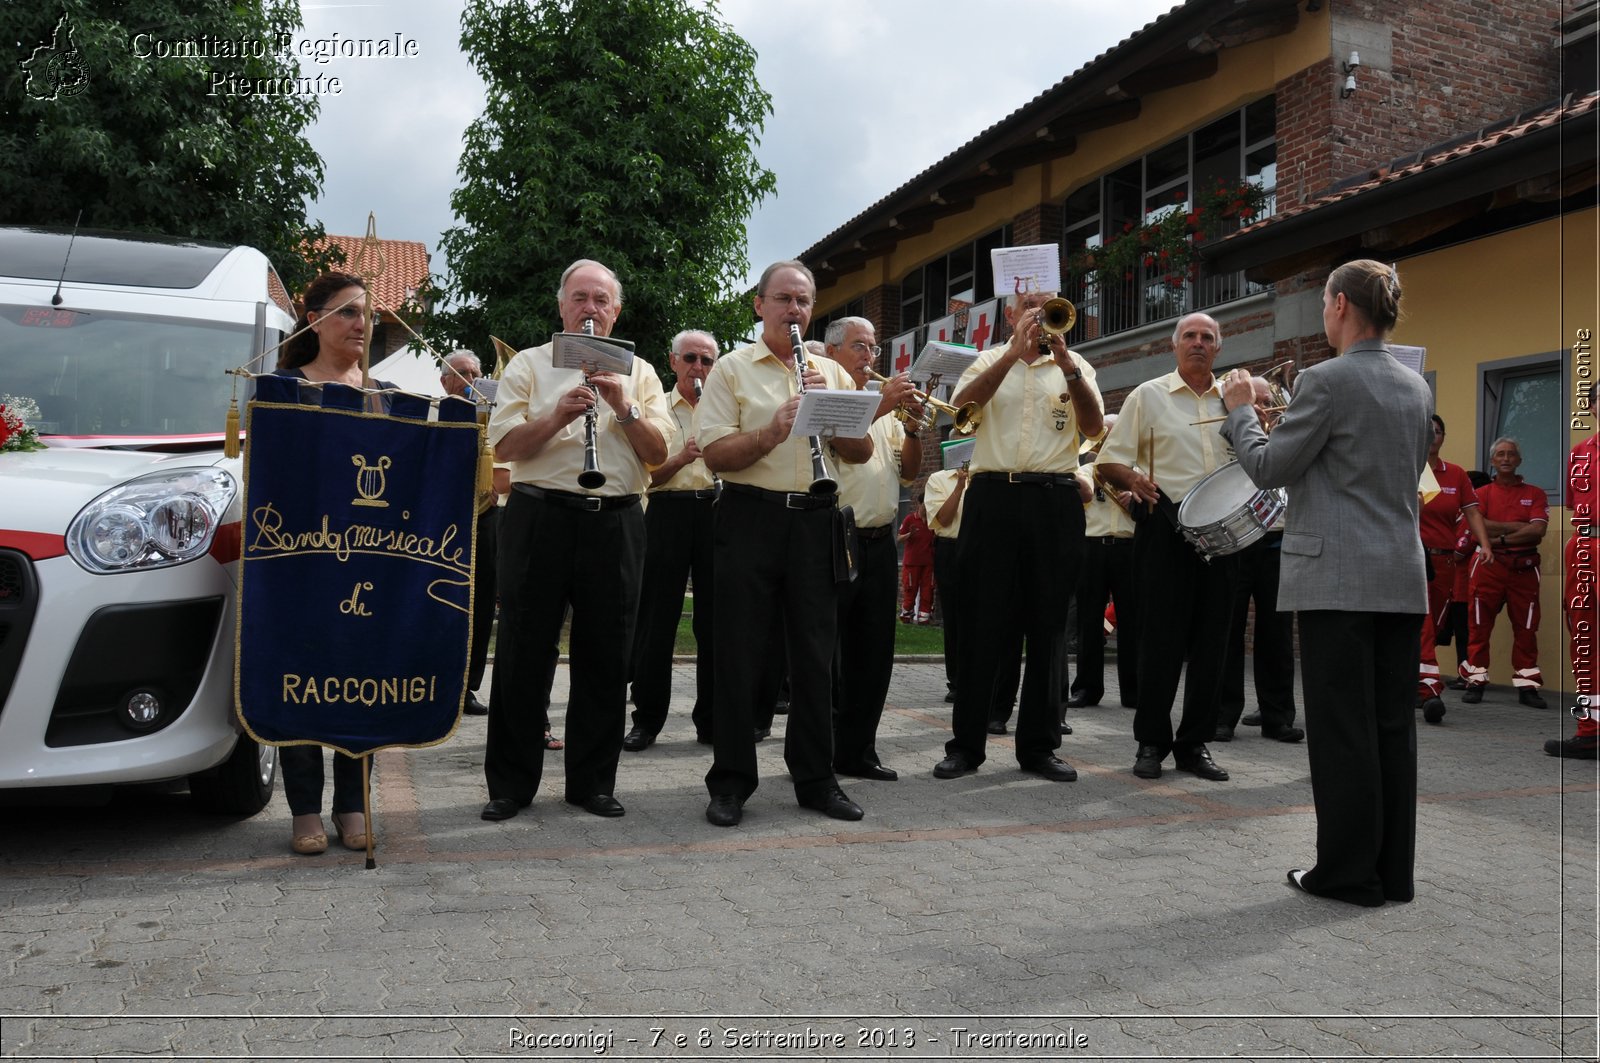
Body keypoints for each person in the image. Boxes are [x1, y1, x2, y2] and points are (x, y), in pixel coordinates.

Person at [1219, 258, 1445, 906]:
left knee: (1343, 731)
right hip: (1400, 576)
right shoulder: (1415, 387)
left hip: (1335, 579)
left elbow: (1268, 467)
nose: (1323, 313)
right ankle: (1390, 871)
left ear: (1341, 304)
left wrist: (1242, 412)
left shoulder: (1325, 379)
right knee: (1390, 730)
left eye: (1324, 302)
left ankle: (1345, 873)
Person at [480, 259, 672, 822]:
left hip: (615, 520)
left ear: (617, 311)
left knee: (607, 655)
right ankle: (511, 785)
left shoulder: (641, 371)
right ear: (562, 307)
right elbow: (508, 447)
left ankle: (592, 783)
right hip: (540, 516)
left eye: (601, 300)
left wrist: (623, 408)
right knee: (522, 651)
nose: (591, 308)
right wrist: (557, 414)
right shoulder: (529, 365)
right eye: (580, 298)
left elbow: (659, 454)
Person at [696, 260, 873, 826]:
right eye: (783, 299)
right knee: (738, 655)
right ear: (759, 305)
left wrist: (833, 415)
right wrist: (775, 430)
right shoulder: (731, 369)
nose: (793, 310)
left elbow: (862, 452)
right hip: (751, 517)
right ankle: (730, 783)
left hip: (816, 520)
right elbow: (716, 455)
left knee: (816, 657)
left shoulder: (832, 372)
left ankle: (816, 780)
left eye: (802, 301)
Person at [931, 286, 1102, 783]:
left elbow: (1092, 428)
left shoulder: (1076, 364)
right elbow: (960, 413)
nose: (1038, 315)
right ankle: (966, 746)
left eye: (1047, 305)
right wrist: (1011, 356)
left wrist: (1069, 367)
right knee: (983, 623)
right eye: (1029, 306)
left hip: (1055, 498)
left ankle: (1040, 747)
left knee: (1049, 628)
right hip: (993, 495)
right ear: (1009, 314)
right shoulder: (987, 358)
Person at [274, 271, 392, 854]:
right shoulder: (282, 386)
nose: (359, 325)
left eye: (366, 314)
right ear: (314, 319)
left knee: (360, 678)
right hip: (300, 558)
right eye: (347, 312)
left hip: (368, 561)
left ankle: (354, 802)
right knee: (302, 678)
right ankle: (303, 809)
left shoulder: (384, 394)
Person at [1096, 313, 1238, 783]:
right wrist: (1132, 477)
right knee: (1159, 641)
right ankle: (1151, 742)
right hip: (1166, 526)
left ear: (1219, 347)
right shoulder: (1147, 396)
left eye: (1207, 337)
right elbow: (1107, 462)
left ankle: (1194, 745)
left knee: (1213, 644)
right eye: (1190, 337)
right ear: (1174, 346)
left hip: (1223, 533)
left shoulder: (1235, 399)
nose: (1199, 343)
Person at [824, 316, 921, 782]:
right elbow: (844, 448)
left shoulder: (883, 410)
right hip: (836, 539)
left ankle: (859, 751)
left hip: (881, 542)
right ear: (833, 352)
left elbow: (908, 474)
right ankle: (819, 750)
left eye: (873, 349)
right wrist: (882, 405)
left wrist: (917, 430)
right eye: (859, 347)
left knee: (873, 653)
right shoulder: (834, 398)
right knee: (826, 652)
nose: (869, 357)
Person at [623, 330, 720, 752]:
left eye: (707, 361)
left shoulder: (724, 406)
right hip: (666, 512)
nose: (699, 368)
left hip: (717, 511)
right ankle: (646, 721)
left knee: (715, 624)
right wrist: (682, 457)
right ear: (673, 361)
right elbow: (644, 476)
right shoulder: (656, 405)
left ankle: (712, 721)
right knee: (656, 623)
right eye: (691, 358)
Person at [1215, 378, 1302, 744]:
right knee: (1227, 632)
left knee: (1277, 634)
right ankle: (1221, 716)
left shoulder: (1288, 432)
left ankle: (1277, 717)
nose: (1266, 407)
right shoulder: (1223, 429)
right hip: (1235, 537)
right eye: (1256, 400)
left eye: (1268, 400)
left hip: (1277, 537)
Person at [1462, 437, 1549, 707]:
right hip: (1489, 565)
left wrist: (1498, 534)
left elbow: (1538, 530)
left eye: (1511, 454)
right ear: (1492, 460)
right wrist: (1517, 527)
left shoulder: (1535, 493)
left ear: (1520, 460)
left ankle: (1527, 686)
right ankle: (1475, 680)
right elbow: (1480, 526)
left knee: (1526, 627)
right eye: (1500, 454)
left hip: (1524, 568)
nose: (1506, 458)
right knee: (1479, 624)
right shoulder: (1483, 493)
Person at [1416, 415, 1490, 721]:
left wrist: (1485, 545)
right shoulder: (1408, 467)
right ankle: (1427, 688)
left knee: (1433, 623)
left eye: (1437, 431)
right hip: (1410, 557)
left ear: (1443, 436)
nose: (1432, 436)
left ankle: (1414, 682)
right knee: (1424, 623)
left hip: (1443, 561)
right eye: (1426, 431)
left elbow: (1472, 512)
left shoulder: (1456, 474)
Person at [1067, 413, 1138, 711]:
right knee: (1089, 620)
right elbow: (1081, 490)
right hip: (1092, 548)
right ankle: (1087, 688)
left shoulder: (1137, 469)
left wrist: (1135, 494)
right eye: (1102, 435)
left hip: (1129, 547)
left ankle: (1134, 690)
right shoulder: (1085, 468)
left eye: (1111, 434)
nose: (1106, 440)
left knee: (1135, 620)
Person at [441, 350, 495, 717]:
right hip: (443, 518)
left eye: (476, 372)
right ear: (444, 381)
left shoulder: (494, 415)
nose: (471, 380)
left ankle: (468, 688)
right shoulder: (433, 412)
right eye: (462, 373)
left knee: (482, 602)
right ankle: (437, 680)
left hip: (488, 516)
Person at [1548, 430, 1598, 758]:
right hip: (1583, 547)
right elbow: (1573, 504)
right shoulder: (1580, 452)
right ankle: (1590, 731)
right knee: (1583, 638)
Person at [923, 463, 967, 704]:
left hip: (982, 547)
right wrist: (960, 485)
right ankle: (957, 682)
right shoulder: (938, 479)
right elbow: (944, 519)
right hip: (951, 549)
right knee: (954, 619)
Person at [897, 499, 935, 624]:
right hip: (912, 562)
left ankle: (924, 618)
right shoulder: (910, 519)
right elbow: (899, 538)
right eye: (924, 505)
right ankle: (906, 615)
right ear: (919, 504)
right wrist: (910, 534)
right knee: (910, 589)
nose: (926, 508)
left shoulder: (932, 521)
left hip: (928, 563)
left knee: (927, 590)